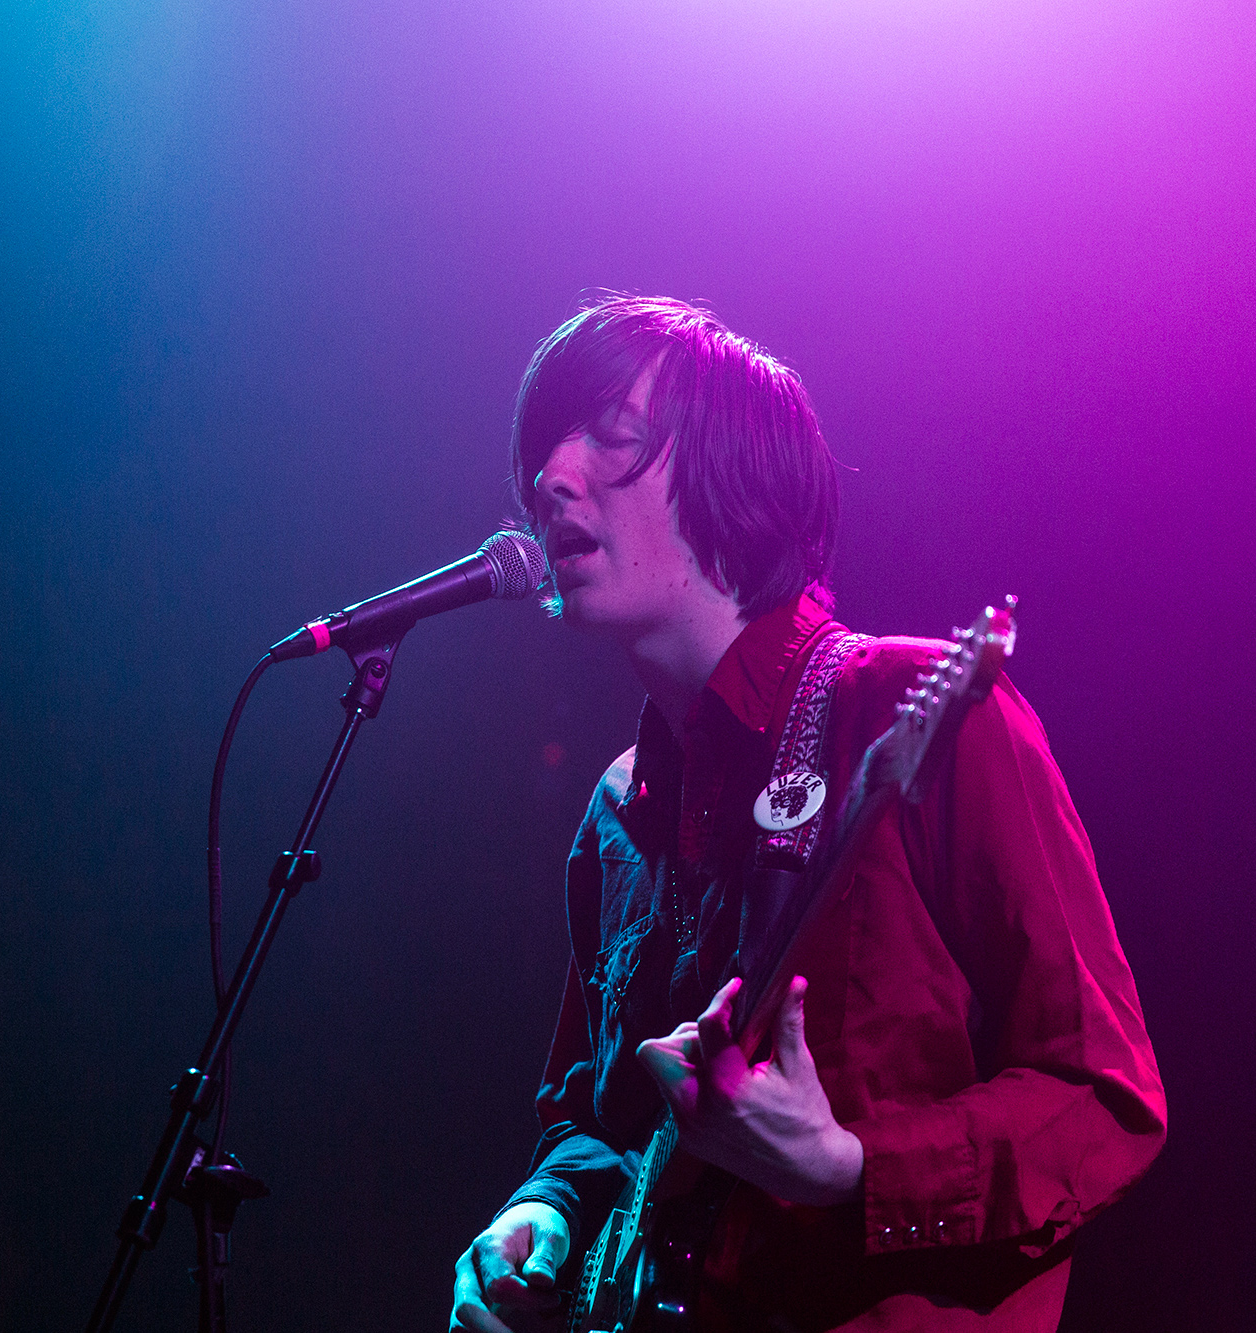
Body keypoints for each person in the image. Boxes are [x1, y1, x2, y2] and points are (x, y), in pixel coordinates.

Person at [450, 296, 1166, 1333]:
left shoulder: (908, 709)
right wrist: (545, 1209)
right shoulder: (618, 811)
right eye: (543, 448)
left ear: (731, 470)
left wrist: (851, 1166)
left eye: (611, 435)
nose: (551, 476)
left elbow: (1104, 1094)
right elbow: (597, 1116)